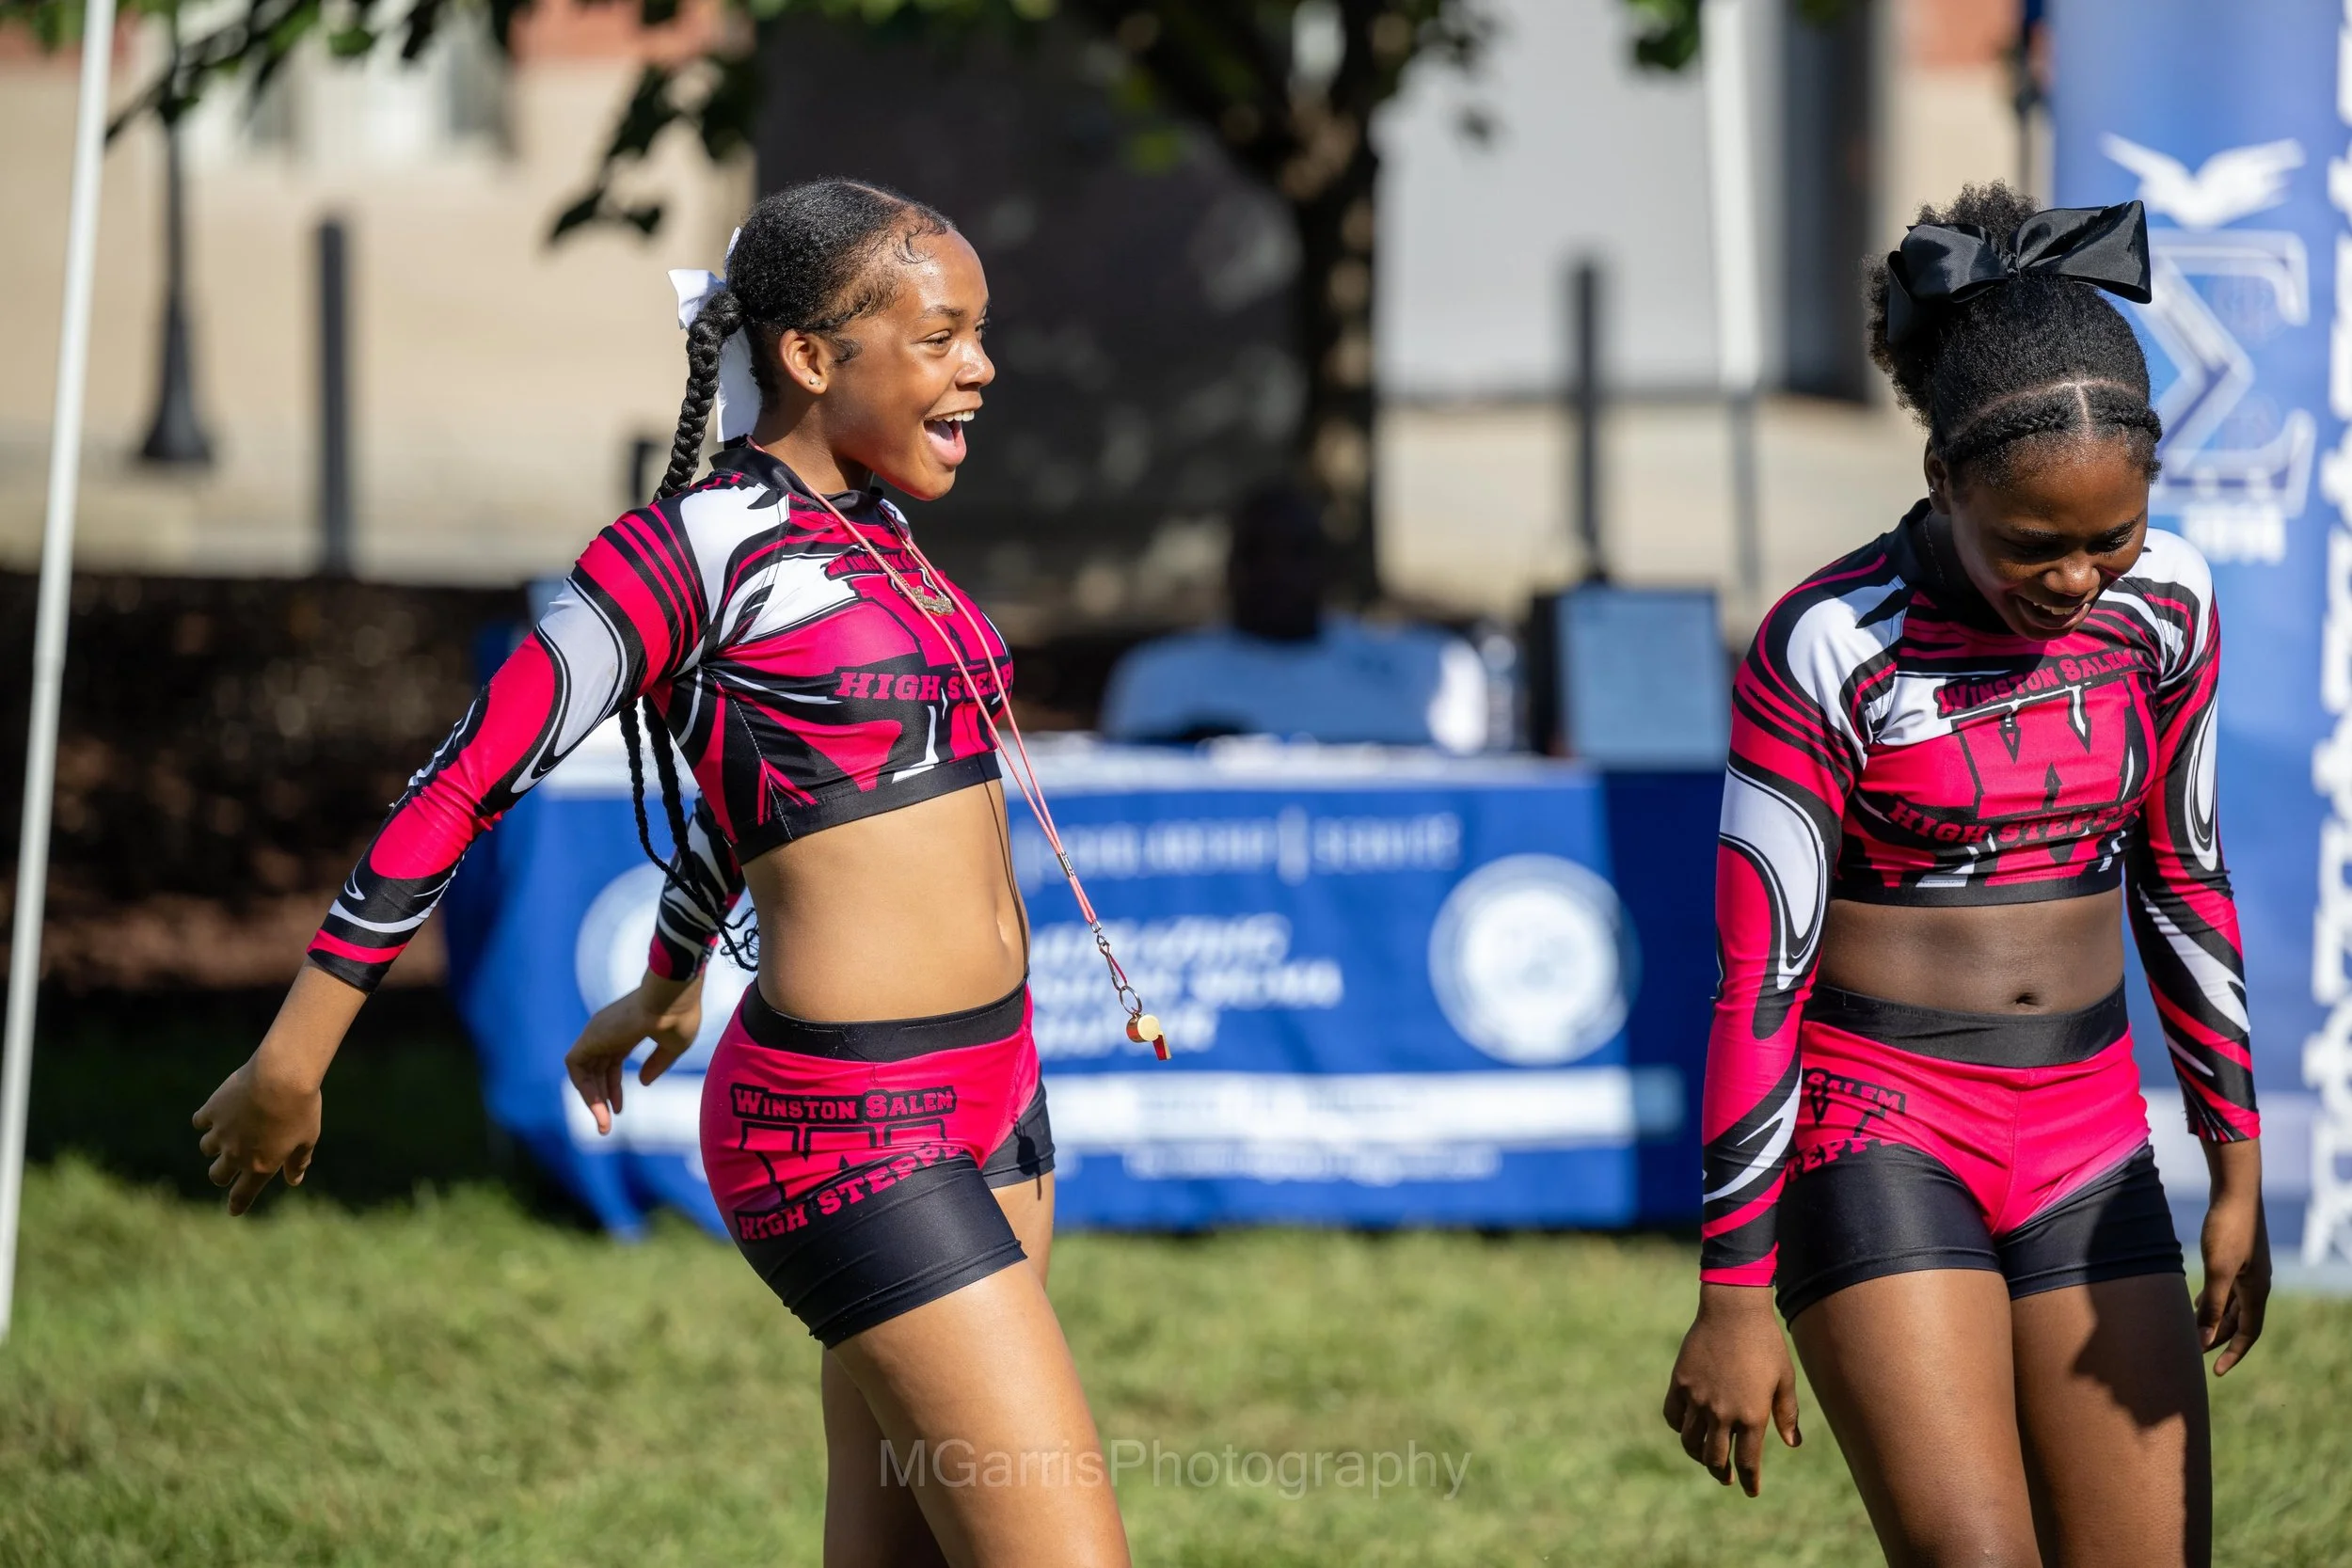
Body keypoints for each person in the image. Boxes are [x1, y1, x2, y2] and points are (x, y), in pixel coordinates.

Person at [191, 180, 1132, 1568]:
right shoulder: (679, 550)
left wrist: (673, 971)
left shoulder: (879, 529)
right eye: (942, 338)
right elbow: (459, 781)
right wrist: (292, 1058)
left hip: (997, 1085)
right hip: (847, 1126)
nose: (981, 366)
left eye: (979, 335)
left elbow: (773, 793)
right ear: (811, 355)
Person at [1661, 185, 2267, 1567]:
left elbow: (2184, 873)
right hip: (1882, 1128)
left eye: (2110, 537)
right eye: (2031, 545)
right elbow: (1759, 977)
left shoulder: (2169, 600)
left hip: (2089, 1127)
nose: (2077, 578)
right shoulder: (1829, 641)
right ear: (1942, 480)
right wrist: (1732, 1291)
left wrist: (2234, 1164)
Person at [1099, 483, 1488, 751]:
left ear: (1331, 566)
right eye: (1256, 553)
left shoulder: (1419, 670)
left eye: (1298, 552)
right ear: (1229, 567)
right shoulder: (1160, 677)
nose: (1277, 572)